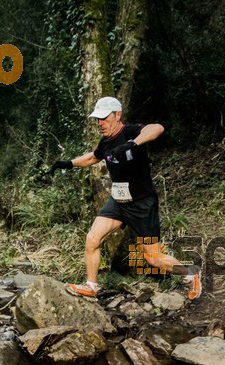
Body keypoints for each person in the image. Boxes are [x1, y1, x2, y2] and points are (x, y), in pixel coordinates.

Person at [49, 96, 202, 300]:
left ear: (117, 115)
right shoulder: (105, 142)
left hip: (142, 203)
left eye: (104, 118)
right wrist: (67, 164)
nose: (100, 122)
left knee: (153, 258)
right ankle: (92, 286)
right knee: (93, 238)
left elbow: (156, 128)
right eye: (98, 119)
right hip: (119, 202)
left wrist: (132, 144)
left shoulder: (130, 131)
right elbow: (93, 157)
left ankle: (191, 274)